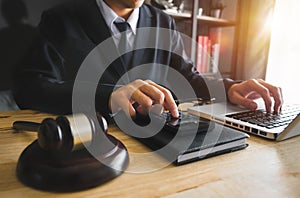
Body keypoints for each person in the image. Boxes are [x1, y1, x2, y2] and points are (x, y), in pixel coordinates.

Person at [13, 0, 283, 121]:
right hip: (88, 146)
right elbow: (30, 88)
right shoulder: (61, 18)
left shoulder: (163, 21)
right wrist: (107, 96)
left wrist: (228, 88)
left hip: (155, 145)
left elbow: (188, 77)